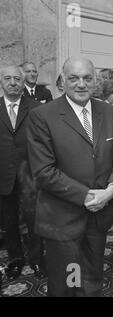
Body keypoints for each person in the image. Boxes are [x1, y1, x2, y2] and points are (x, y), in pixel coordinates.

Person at [27, 57, 113, 297]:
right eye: (74, 78)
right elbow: (44, 172)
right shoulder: (42, 116)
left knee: (92, 279)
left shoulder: (108, 112)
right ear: (62, 81)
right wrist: (87, 196)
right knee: (68, 283)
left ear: (95, 81)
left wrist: (111, 190)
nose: (81, 84)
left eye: (87, 78)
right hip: (63, 220)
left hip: (99, 218)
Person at [0, 65, 40, 280]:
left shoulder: (36, 109)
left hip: (30, 176)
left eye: (17, 78)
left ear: (23, 82)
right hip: (3, 176)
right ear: (1, 82)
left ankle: (37, 260)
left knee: (34, 221)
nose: (13, 82)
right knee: (9, 223)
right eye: (8, 78)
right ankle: (15, 260)